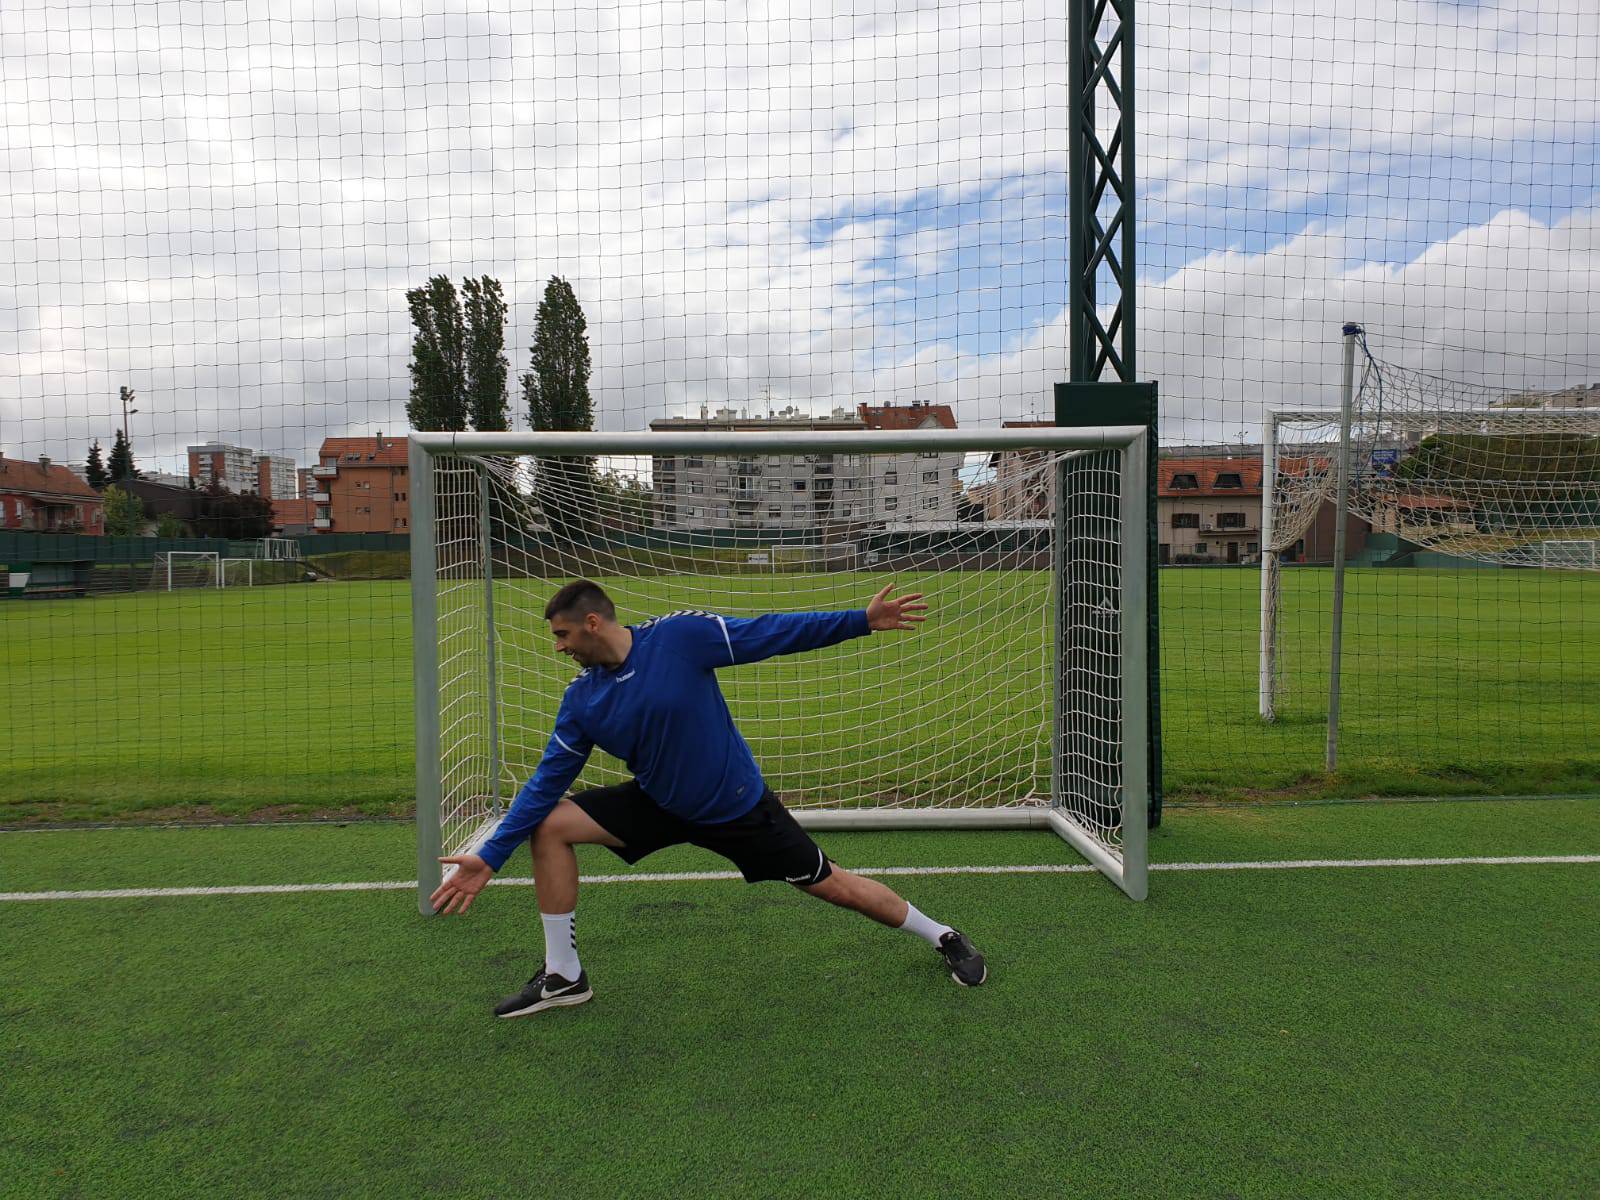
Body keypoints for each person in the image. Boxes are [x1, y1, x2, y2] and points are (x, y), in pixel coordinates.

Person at [429, 578, 987, 1017]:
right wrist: (490, 856)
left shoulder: (678, 637)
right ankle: (563, 976)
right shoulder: (583, 700)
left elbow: (769, 633)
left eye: (563, 635)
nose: (560, 648)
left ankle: (942, 935)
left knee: (835, 885)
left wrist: (860, 622)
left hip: (737, 808)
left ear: (592, 622)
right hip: (659, 805)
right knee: (549, 822)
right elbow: (545, 782)